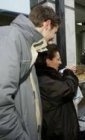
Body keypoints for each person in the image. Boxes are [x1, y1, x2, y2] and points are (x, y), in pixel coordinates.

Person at [0, 5, 60, 140]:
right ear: (47, 24)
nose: (53, 39)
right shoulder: (10, 38)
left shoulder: (29, 45)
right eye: (54, 33)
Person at [35, 44, 79, 140]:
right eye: (58, 59)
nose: (60, 62)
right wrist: (69, 72)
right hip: (58, 133)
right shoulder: (44, 80)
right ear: (47, 60)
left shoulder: (47, 75)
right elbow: (69, 89)